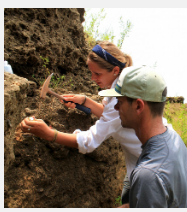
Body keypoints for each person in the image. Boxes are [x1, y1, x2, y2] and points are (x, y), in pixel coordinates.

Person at [20, 41, 170, 204]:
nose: (92, 78)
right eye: (91, 73)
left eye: (97, 74)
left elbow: (89, 141)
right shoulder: (120, 86)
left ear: (115, 70)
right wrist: (85, 101)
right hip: (141, 160)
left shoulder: (119, 98)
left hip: (153, 166)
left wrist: (50, 134)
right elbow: (113, 116)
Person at [99, 65, 187, 208]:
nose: (115, 108)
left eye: (119, 102)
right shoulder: (174, 139)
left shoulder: (148, 175)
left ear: (138, 106)